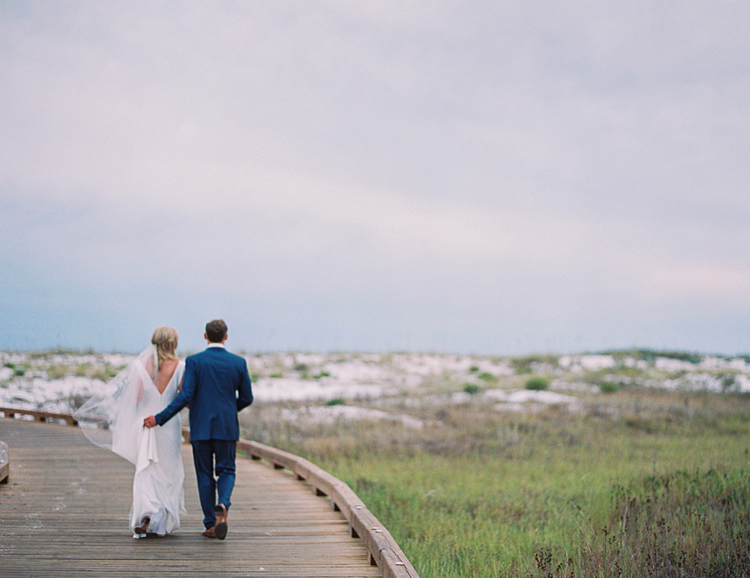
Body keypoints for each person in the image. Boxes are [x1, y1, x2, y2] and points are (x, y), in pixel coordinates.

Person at [144, 319, 253, 540]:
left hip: (201, 427)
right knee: (227, 470)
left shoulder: (194, 361)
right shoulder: (239, 363)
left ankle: (211, 524)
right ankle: (223, 504)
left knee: (204, 474)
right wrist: (229, 409)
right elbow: (247, 398)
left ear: (205, 336)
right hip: (226, 427)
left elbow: (185, 395)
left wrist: (159, 418)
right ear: (226, 337)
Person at [74, 326, 186, 538]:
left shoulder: (142, 365)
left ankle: (146, 514)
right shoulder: (181, 366)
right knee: (169, 470)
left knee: (146, 469)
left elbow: (135, 397)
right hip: (168, 425)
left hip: (145, 422)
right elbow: (183, 397)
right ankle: (161, 522)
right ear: (172, 344)